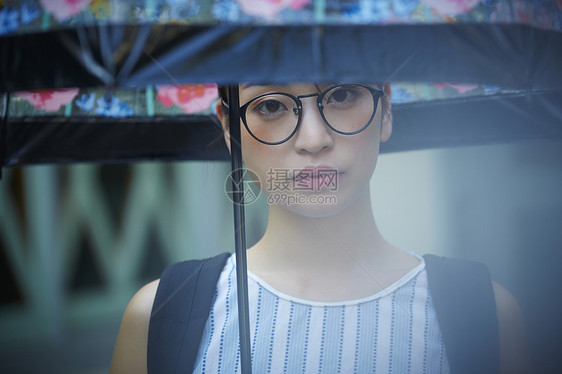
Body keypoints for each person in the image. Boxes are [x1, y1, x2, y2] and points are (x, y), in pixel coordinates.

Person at [109, 83, 530, 373]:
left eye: (342, 94)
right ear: (228, 126)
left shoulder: (483, 314)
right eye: (270, 105)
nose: (313, 138)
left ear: (385, 108)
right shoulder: (160, 316)